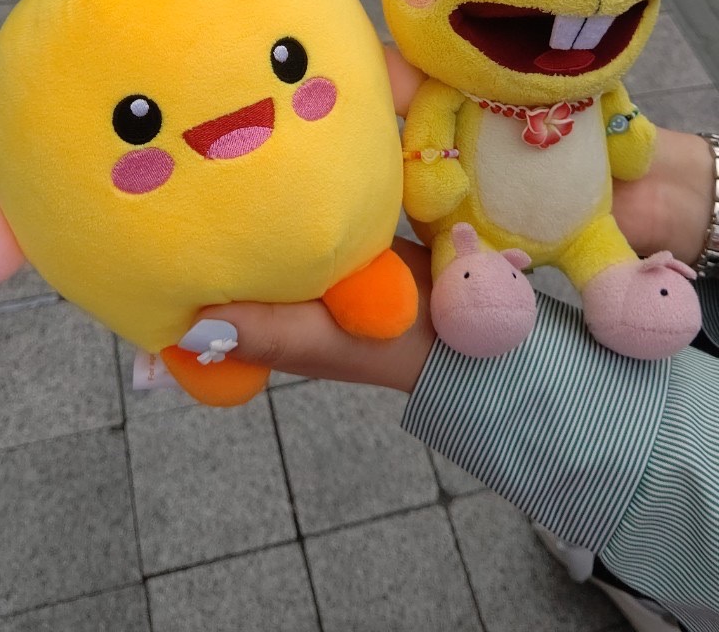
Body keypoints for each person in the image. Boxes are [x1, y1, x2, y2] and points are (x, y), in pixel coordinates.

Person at [188, 49, 719, 632]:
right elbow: (432, 162)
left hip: (592, 226)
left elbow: (631, 142)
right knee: (478, 291)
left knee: (634, 295)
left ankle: (632, 572)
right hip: (477, 232)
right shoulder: (453, 92)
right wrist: (700, 193)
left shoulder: (597, 87)